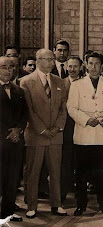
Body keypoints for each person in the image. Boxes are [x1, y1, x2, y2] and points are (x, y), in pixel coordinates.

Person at [20, 49, 68, 218]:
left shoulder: (59, 82)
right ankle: (32, 205)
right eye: (48, 59)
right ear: (38, 60)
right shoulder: (25, 82)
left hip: (55, 135)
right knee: (33, 172)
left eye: (52, 59)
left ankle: (57, 204)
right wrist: (42, 129)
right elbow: (29, 110)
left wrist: (57, 127)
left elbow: (63, 109)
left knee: (56, 171)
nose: (51, 62)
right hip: (35, 134)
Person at [67, 52, 103, 216]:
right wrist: (87, 120)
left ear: (101, 66)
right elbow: (71, 108)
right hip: (84, 134)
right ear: (86, 65)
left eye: (97, 64)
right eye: (91, 63)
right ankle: (81, 205)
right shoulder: (77, 85)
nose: (94, 67)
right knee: (81, 173)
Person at [0, 56, 28, 222]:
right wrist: (7, 133)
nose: (8, 71)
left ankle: (8, 212)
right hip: (1, 140)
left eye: (11, 67)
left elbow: (25, 113)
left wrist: (19, 129)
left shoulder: (18, 90)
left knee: (13, 178)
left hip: (16, 142)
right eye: (4, 67)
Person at [60, 56, 82, 202]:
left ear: (81, 68)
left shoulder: (85, 83)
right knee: (65, 161)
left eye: (75, 66)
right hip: (66, 127)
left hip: (81, 126)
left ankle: (80, 192)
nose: (72, 69)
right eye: (70, 66)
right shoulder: (60, 83)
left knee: (79, 160)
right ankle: (62, 192)